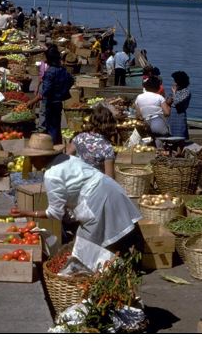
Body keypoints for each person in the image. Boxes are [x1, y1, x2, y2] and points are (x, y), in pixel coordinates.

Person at [11, 134, 142, 261]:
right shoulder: (67, 158)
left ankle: (106, 271)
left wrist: (26, 212)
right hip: (111, 188)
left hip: (96, 198)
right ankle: (122, 260)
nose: (32, 162)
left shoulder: (51, 175)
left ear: (44, 157)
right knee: (107, 235)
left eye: (34, 158)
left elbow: (55, 213)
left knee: (85, 251)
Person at [27, 47, 74, 145]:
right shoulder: (62, 70)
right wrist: (62, 92)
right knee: (56, 126)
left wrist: (33, 101)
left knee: (51, 127)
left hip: (50, 103)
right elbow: (71, 80)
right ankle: (58, 146)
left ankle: (51, 147)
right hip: (58, 102)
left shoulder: (50, 72)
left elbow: (46, 91)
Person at [67, 105, 117, 177]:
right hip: (95, 184)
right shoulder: (107, 147)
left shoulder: (79, 138)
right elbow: (109, 177)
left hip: (77, 179)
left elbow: (67, 158)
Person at [166, 71, 192, 139]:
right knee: (170, 133)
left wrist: (174, 92)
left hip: (179, 115)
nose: (174, 83)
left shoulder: (186, 91)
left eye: (175, 81)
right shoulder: (176, 90)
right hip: (171, 114)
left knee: (179, 135)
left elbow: (177, 101)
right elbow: (168, 101)